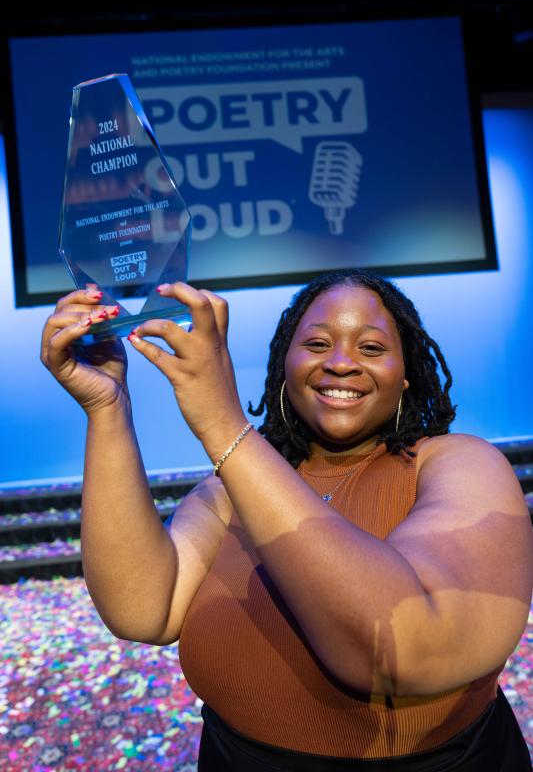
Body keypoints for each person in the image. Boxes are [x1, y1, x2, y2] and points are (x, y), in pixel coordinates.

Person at [40, 269, 533, 771]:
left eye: (370, 348)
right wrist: (106, 407)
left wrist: (222, 422)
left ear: (405, 373)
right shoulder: (234, 491)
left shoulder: (458, 464)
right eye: (318, 344)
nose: (341, 363)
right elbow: (143, 611)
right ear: (284, 364)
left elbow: (401, 648)